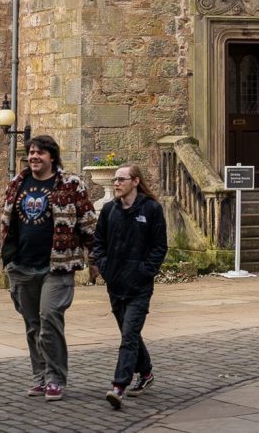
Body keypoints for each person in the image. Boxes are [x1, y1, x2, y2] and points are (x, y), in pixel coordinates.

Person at [0, 135, 97, 402]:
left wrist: (97, 259)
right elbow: (8, 224)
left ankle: (56, 379)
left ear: (51, 157)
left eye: (40, 153)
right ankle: (40, 378)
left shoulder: (70, 185)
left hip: (57, 266)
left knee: (49, 319)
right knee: (33, 326)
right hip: (21, 266)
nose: (34, 156)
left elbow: (89, 223)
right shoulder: (17, 184)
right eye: (31, 152)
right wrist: (8, 259)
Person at [91, 165, 168, 410]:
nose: (116, 183)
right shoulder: (109, 210)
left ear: (135, 181)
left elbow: (159, 246)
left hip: (139, 286)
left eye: (121, 179)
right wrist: (103, 266)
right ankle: (145, 373)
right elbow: (99, 241)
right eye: (114, 179)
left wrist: (144, 271)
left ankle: (118, 387)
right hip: (115, 283)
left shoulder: (151, 209)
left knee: (129, 336)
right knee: (129, 333)